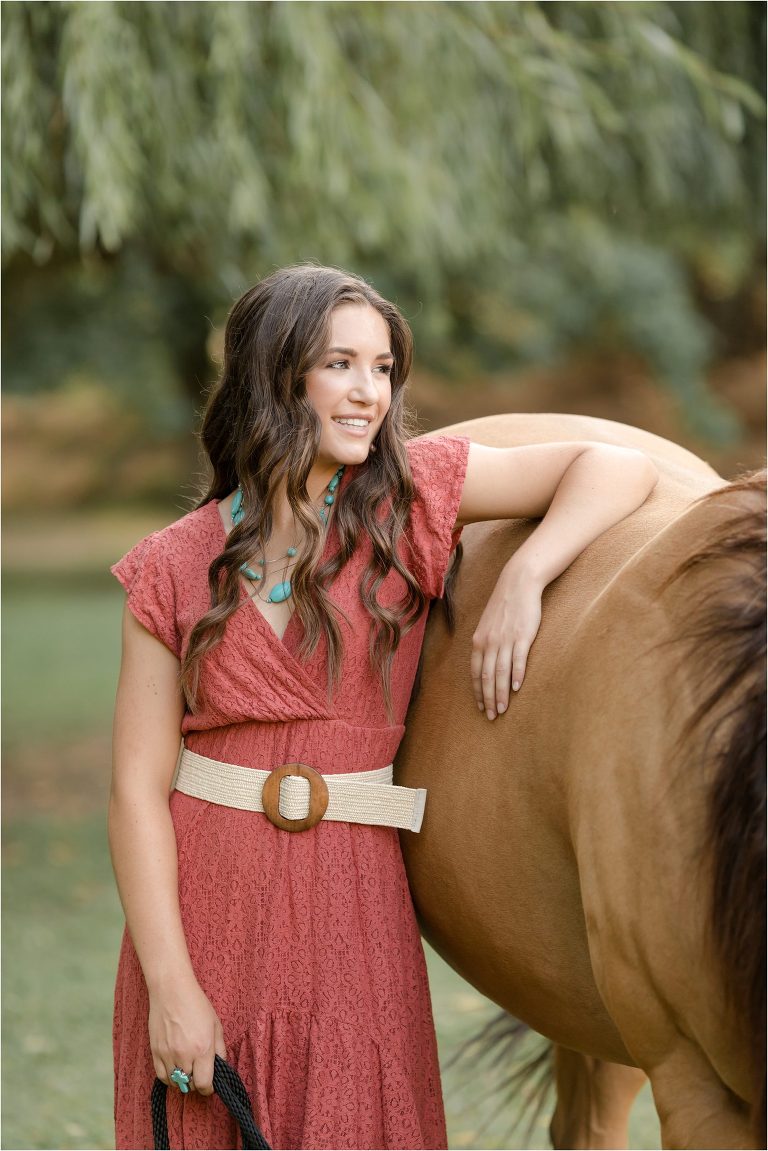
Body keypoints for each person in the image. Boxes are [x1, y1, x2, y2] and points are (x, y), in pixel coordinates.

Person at [109, 263, 658, 1150]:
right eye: (341, 365)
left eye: (384, 367)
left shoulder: (410, 501)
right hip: (207, 908)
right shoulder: (170, 565)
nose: (371, 392)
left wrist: (527, 572)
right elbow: (135, 791)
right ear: (276, 374)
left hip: (353, 904)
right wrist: (170, 983)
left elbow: (616, 467)